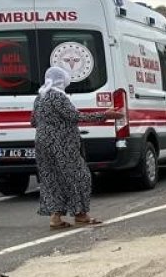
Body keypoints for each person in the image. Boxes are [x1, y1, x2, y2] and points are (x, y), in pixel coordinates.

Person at [32, 67, 123, 229]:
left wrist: (48, 125)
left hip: (42, 144)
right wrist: (104, 115)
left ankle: (56, 217)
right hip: (62, 144)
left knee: (52, 179)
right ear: (62, 80)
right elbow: (76, 117)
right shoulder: (58, 97)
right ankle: (80, 214)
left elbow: (33, 121)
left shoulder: (41, 96)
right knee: (79, 176)